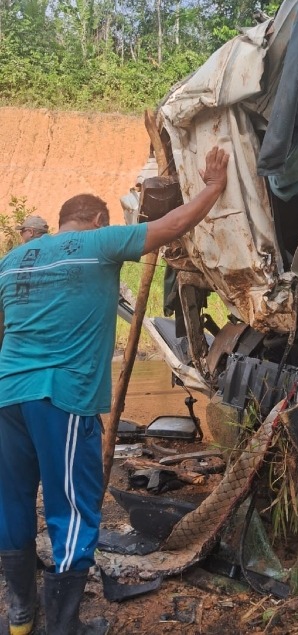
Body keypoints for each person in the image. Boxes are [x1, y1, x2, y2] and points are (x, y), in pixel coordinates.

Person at [0, 146, 229, 635]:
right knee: (73, 510)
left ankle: (20, 617)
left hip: (7, 394)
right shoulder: (100, 242)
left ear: (59, 221)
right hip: (60, 398)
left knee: (12, 501)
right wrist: (211, 188)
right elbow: (169, 228)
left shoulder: (13, 260)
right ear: (100, 217)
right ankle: (63, 627)